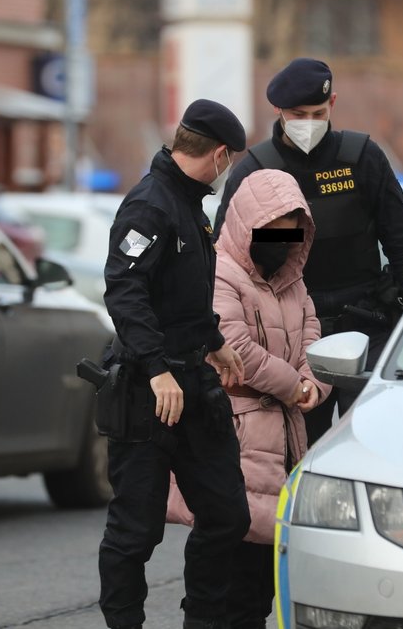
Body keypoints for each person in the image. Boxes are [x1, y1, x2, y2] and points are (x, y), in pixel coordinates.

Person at [213, 57, 403, 446]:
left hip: (366, 325)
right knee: (298, 453)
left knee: (373, 444)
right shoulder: (258, 170)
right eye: (298, 114)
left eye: (317, 112)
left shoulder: (361, 157)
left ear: (333, 105)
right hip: (292, 336)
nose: (308, 123)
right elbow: (231, 258)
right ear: (278, 111)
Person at [98, 98, 252, 629]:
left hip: (192, 380)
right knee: (136, 530)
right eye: (230, 160)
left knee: (227, 515)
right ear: (220, 153)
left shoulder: (190, 204)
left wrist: (213, 340)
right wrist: (157, 367)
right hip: (148, 391)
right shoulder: (151, 205)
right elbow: (125, 291)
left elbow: (180, 293)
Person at [168, 168, 332, 629]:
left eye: (291, 233)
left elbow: (315, 342)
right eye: (272, 231)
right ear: (246, 222)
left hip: (285, 438)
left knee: (260, 583)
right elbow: (233, 345)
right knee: (227, 567)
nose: (281, 243)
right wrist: (293, 385)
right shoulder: (218, 272)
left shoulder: (293, 282)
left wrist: (312, 386)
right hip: (233, 434)